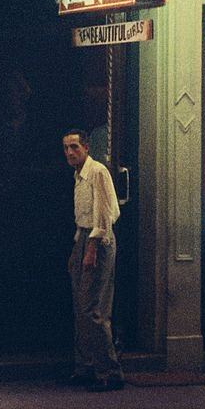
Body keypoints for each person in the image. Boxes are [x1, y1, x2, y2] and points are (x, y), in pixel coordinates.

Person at [62, 128, 124, 392]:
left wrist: (91, 248)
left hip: (98, 240)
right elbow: (83, 217)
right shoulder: (78, 176)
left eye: (74, 147)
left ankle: (109, 371)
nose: (69, 152)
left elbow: (104, 212)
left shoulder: (97, 171)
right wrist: (78, 247)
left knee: (94, 309)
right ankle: (86, 366)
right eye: (66, 148)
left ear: (86, 147)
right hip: (84, 237)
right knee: (81, 306)